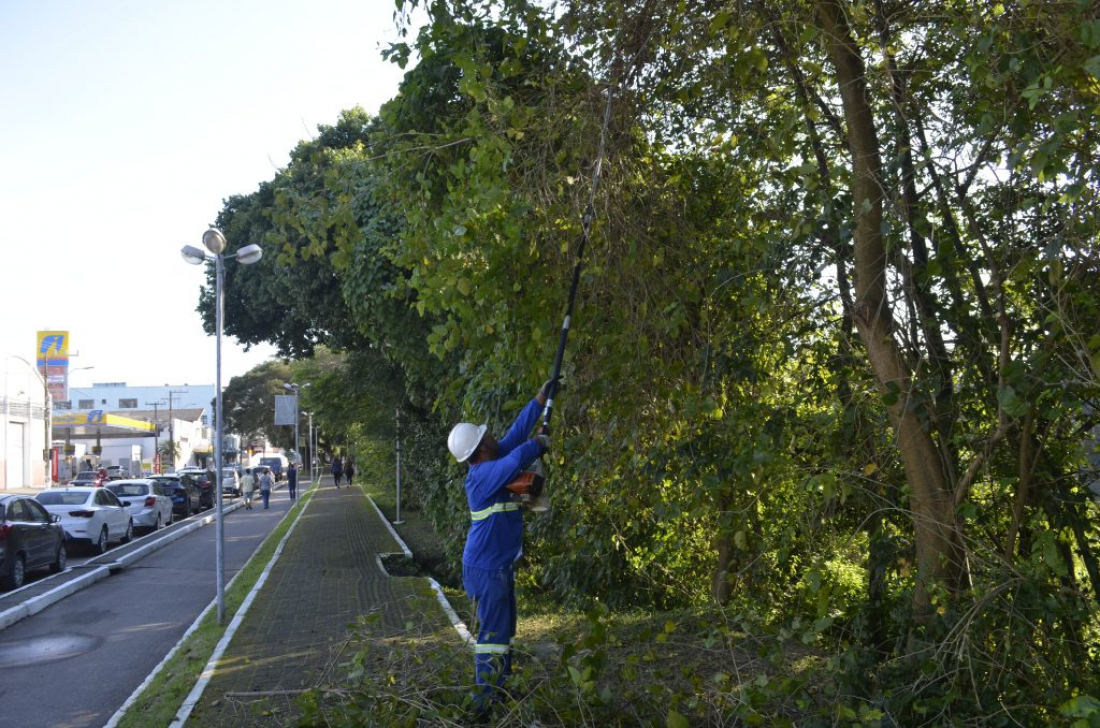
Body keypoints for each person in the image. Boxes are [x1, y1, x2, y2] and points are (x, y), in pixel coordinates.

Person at [447, 379, 553, 716]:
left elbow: (517, 433)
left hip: (496, 566)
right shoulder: (482, 475)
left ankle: (500, 693)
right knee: (492, 637)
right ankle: (482, 708)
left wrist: (540, 398)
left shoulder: (492, 460)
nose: (492, 435)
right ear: (481, 449)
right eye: (485, 436)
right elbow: (519, 453)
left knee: (504, 632)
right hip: (486, 570)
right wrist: (538, 444)